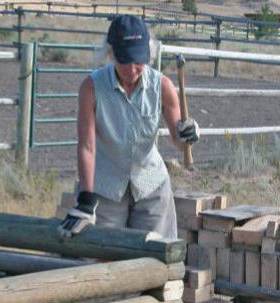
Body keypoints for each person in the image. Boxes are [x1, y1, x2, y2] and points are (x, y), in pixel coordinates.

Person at [58, 14, 200, 239]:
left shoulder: (162, 86)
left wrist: (188, 134)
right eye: (125, 60)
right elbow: (86, 146)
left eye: (138, 61)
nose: (132, 69)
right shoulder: (91, 87)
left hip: (151, 187)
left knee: (154, 261)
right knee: (99, 259)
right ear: (111, 52)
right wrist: (86, 198)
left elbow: (179, 140)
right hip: (106, 189)